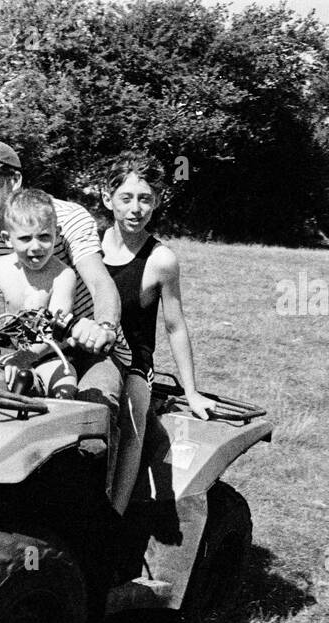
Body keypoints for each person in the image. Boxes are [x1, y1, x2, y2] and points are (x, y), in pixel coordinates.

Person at [0, 140, 127, 408]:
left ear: (15, 179)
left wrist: (103, 330)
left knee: (91, 414)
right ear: (7, 239)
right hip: (24, 349)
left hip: (87, 348)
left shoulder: (66, 219)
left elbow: (99, 283)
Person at [100, 151, 216, 514]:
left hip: (134, 363)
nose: (136, 208)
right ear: (107, 198)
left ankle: (113, 518)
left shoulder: (161, 260)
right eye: (127, 198)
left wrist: (192, 392)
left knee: (131, 426)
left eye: (145, 199)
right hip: (92, 353)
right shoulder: (88, 245)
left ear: (157, 201)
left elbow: (174, 325)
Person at [0, 188, 79, 398]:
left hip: (50, 356)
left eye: (44, 237)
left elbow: (55, 333)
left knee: (65, 389)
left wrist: (24, 358)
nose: (36, 247)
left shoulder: (63, 275)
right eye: (25, 239)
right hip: (10, 352)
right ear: (7, 239)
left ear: (58, 233)